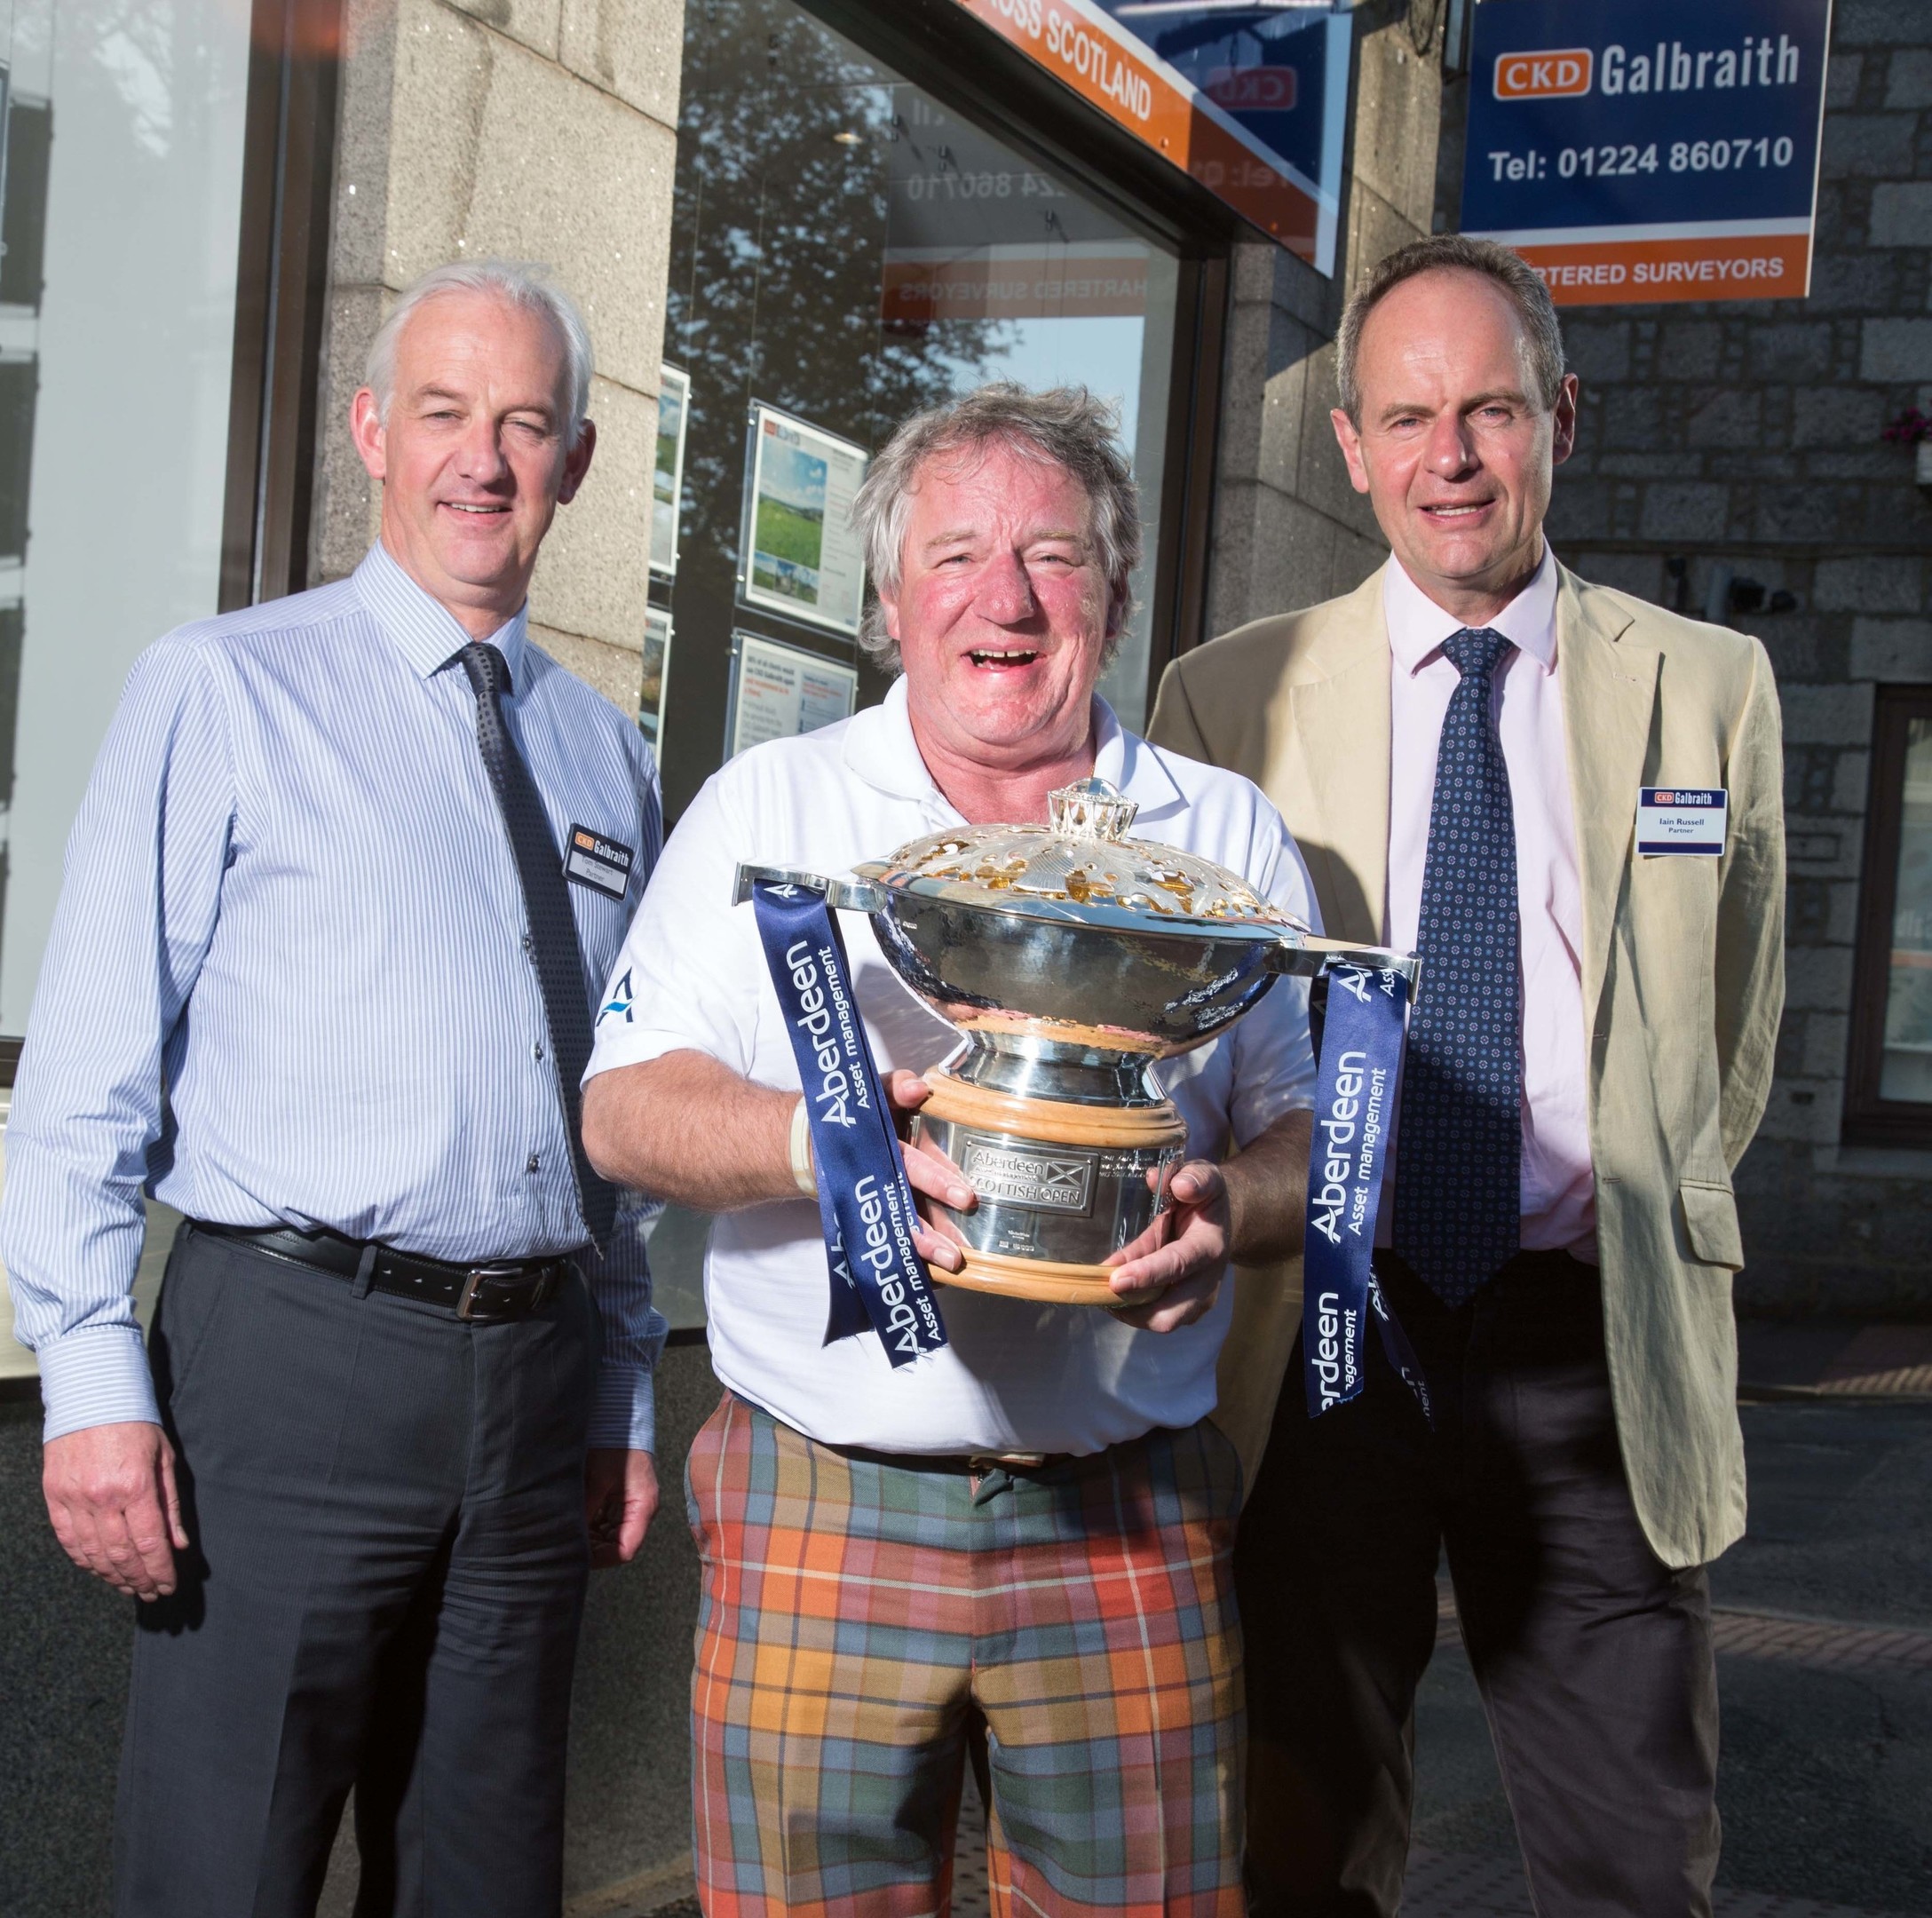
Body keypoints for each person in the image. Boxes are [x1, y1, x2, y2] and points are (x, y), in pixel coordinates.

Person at [582, 384, 1319, 1918]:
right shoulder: (770, 804)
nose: (1005, 599)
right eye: (958, 556)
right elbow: (624, 1105)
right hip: (822, 1497)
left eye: (1054, 557)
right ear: (887, 602)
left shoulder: (1227, 833)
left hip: (1126, 1507)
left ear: (1111, 601)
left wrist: (1229, 1211)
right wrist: (817, 1140)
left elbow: (1311, 1137)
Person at [0, 259, 667, 1918]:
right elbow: (85, 1071)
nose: (482, 459)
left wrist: (622, 1387)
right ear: (373, 429)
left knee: (485, 1877)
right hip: (288, 1368)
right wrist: (85, 1374)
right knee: (224, 1872)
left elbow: (617, 1106)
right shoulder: (222, 686)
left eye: (526, 424)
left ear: (580, 460)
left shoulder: (608, 755)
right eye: (444, 412)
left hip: (535, 1379)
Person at [1148, 233, 1785, 1917]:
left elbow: (1732, 1026)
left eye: (1490, 410)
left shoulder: (1709, 691)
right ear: (1349, 446)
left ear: (1558, 417)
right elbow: (1200, 1032)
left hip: (1588, 1343)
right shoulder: (1226, 699)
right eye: (1408, 417)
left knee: (1636, 1862)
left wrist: (1625, 1194)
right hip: (1324, 1340)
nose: (1451, 457)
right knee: (1301, 1841)